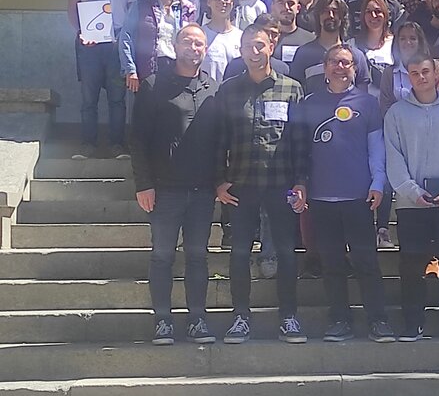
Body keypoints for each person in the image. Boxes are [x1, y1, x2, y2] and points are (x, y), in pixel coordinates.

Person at [290, 43, 397, 343]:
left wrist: (378, 183)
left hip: (358, 197)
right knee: (332, 264)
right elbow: (300, 151)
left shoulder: (368, 103)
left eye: (346, 63)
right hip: (321, 199)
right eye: (335, 62)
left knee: (366, 263)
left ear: (355, 69)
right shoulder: (309, 103)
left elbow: (376, 149)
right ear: (325, 67)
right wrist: (301, 184)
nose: (340, 68)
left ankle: (378, 320)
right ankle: (339, 319)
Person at [129, 24, 220, 345]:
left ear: (205, 50)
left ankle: (197, 319)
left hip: (202, 191)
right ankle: (163, 320)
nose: (193, 48)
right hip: (164, 190)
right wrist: (143, 184)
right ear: (175, 45)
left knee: (197, 256)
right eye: (187, 42)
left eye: (199, 44)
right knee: (162, 256)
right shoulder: (154, 85)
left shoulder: (213, 88)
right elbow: (138, 139)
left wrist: (220, 181)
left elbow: (220, 141)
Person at [215, 23, 305, 344]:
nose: (254, 52)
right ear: (240, 51)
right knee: (240, 252)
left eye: (260, 46)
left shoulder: (291, 89)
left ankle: (289, 317)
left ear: (271, 48)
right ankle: (240, 316)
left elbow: (299, 140)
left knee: (286, 253)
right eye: (248, 47)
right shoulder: (228, 90)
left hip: (281, 184)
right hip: (241, 185)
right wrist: (219, 180)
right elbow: (219, 139)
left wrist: (301, 182)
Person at [385, 52, 439, 341]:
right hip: (412, 203)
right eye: (414, 73)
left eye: (425, 71)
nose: (421, 78)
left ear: (436, 73)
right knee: (411, 264)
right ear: (408, 77)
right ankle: (413, 322)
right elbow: (393, 157)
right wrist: (411, 191)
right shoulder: (396, 113)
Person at [68, 0, 135, 160]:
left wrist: (125, 39)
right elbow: (72, 8)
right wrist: (81, 33)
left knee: (117, 98)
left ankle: (118, 145)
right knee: (89, 98)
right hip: (89, 45)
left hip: (116, 45)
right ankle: (88, 145)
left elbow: (131, 14)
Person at [353, 0, 397, 248]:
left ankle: (382, 228)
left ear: (386, 15)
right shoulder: (353, 44)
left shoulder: (394, 44)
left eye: (379, 11)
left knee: (385, 172)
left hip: (388, 116)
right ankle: (362, 226)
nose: (374, 16)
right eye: (369, 11)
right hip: (360, 115)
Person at [119, 0, 197, 95]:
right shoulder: (141, 3)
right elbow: (126, 36)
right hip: (147, 70)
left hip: (177, 70)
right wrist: (130, 70)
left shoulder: (187, 9)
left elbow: (192, 42)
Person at [290, 0, 371, 93]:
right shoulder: (303, 53)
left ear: (342, 18)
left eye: (335, 12)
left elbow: (362, 95)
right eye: (325, 11)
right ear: (318, 16)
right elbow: (295, 90)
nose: (331, 15)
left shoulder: (357, 55)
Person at [380, 21, 439, 115]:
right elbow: (385, 107)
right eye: (402, 39)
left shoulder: (434, 67)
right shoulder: (389, 73)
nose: (408, 42)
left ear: (420, 42)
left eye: (413, 38)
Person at [200, 0, 242, 82]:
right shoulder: (200, 35)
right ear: (208, 1)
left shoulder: (242, 37)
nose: (222, 1)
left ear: (233, 2)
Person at [269, 0, 315, 67]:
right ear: (272, 7)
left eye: (291, 3)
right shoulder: (266, 40)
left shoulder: (311, 40)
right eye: (280, 3)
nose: (286, 7)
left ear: (298, 8)